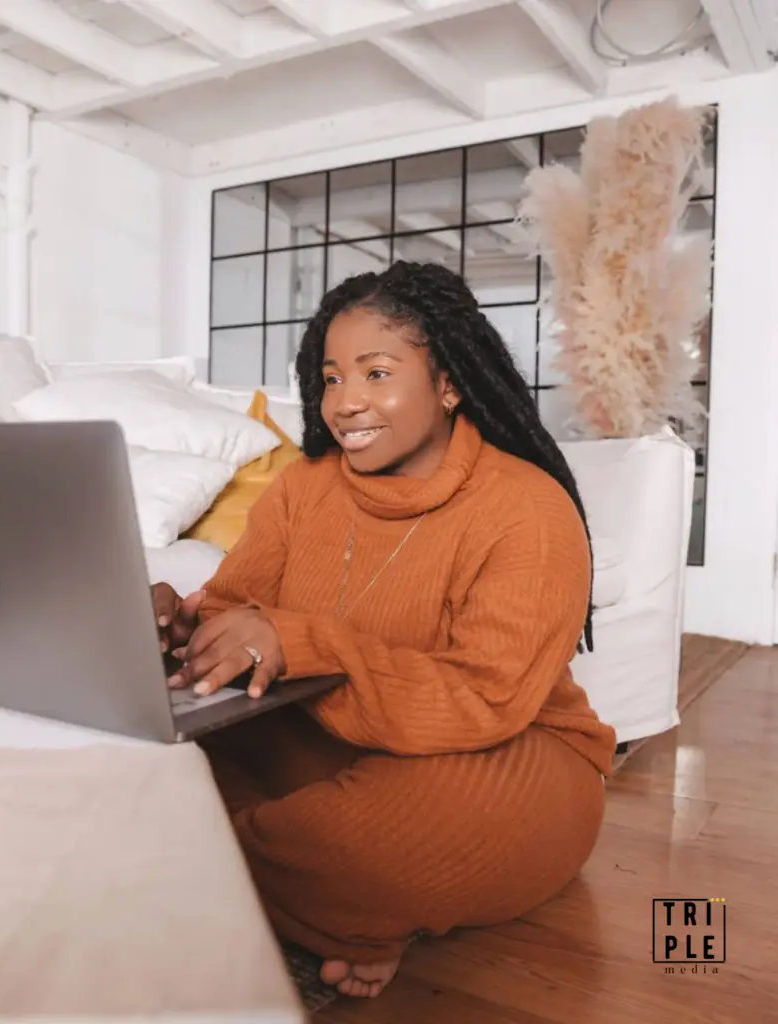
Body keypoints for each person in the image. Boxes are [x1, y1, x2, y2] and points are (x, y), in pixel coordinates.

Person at [153, 261, 616, 999]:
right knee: (153, 755)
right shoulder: (304, 487)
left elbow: (486, 700)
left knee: (371, 844)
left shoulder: (526, 509)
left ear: (448, 384)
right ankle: (335, 911)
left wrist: (303, 643)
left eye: (376, 373)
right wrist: (183, 626)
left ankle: (246, 878)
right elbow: (234, 605)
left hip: (502, 751)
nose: (346, 402)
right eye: (331, 378)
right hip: (322, 729)